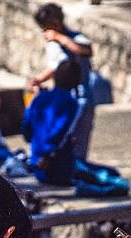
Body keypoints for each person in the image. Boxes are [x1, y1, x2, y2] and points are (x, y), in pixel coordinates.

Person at [28, 2, 94, 161]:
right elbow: (54, 67)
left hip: (80, 97)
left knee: (79, 136)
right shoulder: (52, 45)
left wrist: (60, 38)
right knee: (61, 134)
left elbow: (85, 51)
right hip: (62, 97)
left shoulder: (74, 38)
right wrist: (38, 79)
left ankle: (77, 169)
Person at [22, 58, 80, 185]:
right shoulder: (70, 102)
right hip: (55, 165)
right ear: (76, 82)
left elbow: (27, 124)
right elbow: (60, 131)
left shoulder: (40, 97)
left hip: (36, 163)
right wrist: (47, 155)